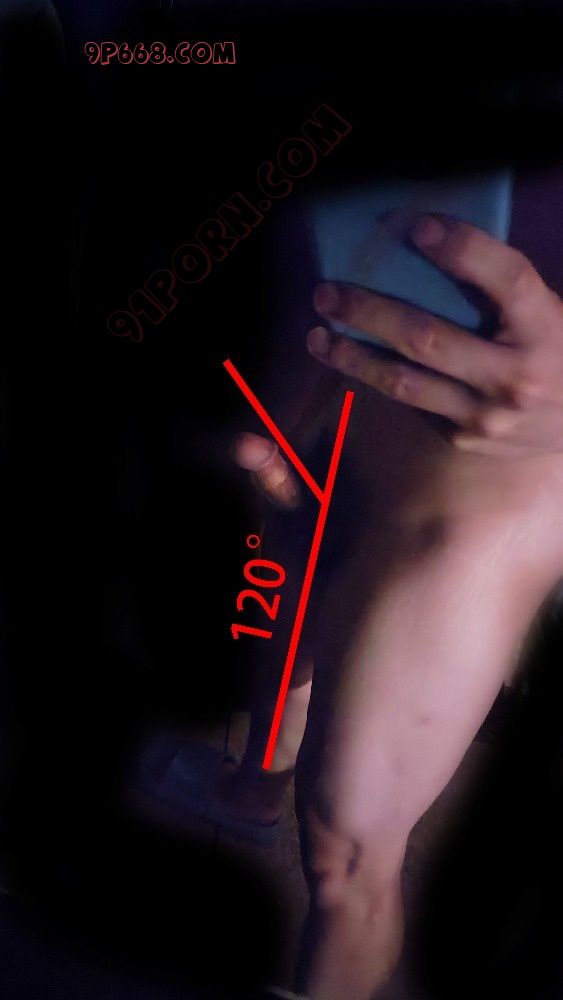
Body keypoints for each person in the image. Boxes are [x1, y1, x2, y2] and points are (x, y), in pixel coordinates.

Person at [141, 208, 563, 999]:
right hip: (337, 402)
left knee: (346, 854)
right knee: (287, 646)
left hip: (473, 499)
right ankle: (249, 795)